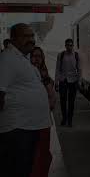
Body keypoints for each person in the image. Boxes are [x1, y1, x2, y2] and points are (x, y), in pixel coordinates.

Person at [0, 23, 51, 177]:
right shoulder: (7, 58)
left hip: (27, 128)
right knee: (17, 170)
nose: (31, 40)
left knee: (26, 168)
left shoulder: (21, 58)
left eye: (32, 36)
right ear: (13, 39)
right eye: (26, 36)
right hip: (17, 130)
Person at [29, 46, 56, 177]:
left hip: (43, 121)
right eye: (33, 56)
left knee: (43, 152)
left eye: (39, 56)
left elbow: (52, 98)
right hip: (29, 121)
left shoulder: (45, 76)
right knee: (34, 152)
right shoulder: (26, 75)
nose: (36, 59)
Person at [55, 38, 81, 127]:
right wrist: (56, 82)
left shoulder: (76, 55)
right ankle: (64, 118)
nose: (69, 47)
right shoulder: (61, 55)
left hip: (73, 81)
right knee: (63, 101)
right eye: (68, 45)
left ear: (72, 46)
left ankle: (70, 120)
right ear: (65, 46)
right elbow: (57, 69)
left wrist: (79, 81)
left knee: (71, 102)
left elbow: (79, 69)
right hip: (63, 80)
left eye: (71, 45)